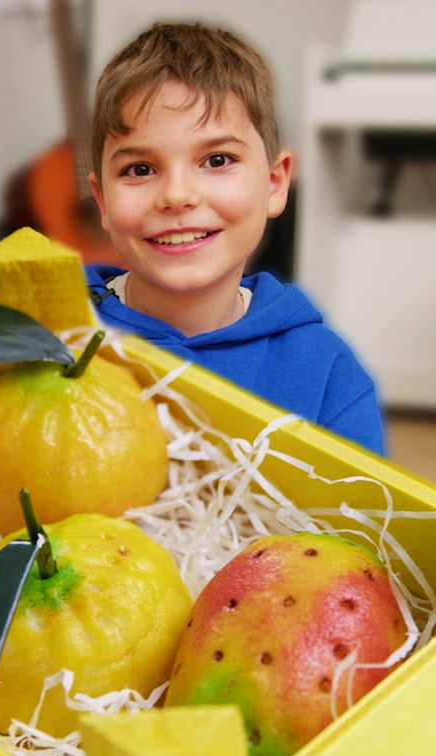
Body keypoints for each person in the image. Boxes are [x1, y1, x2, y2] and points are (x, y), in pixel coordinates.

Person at [84, 22, 385, 455]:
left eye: (217, 159)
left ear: (275, 183)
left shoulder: (327, 375)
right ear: (103, 202)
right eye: (140, 170)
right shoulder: (51, 336)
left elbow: (364, 519)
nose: (177, 196)